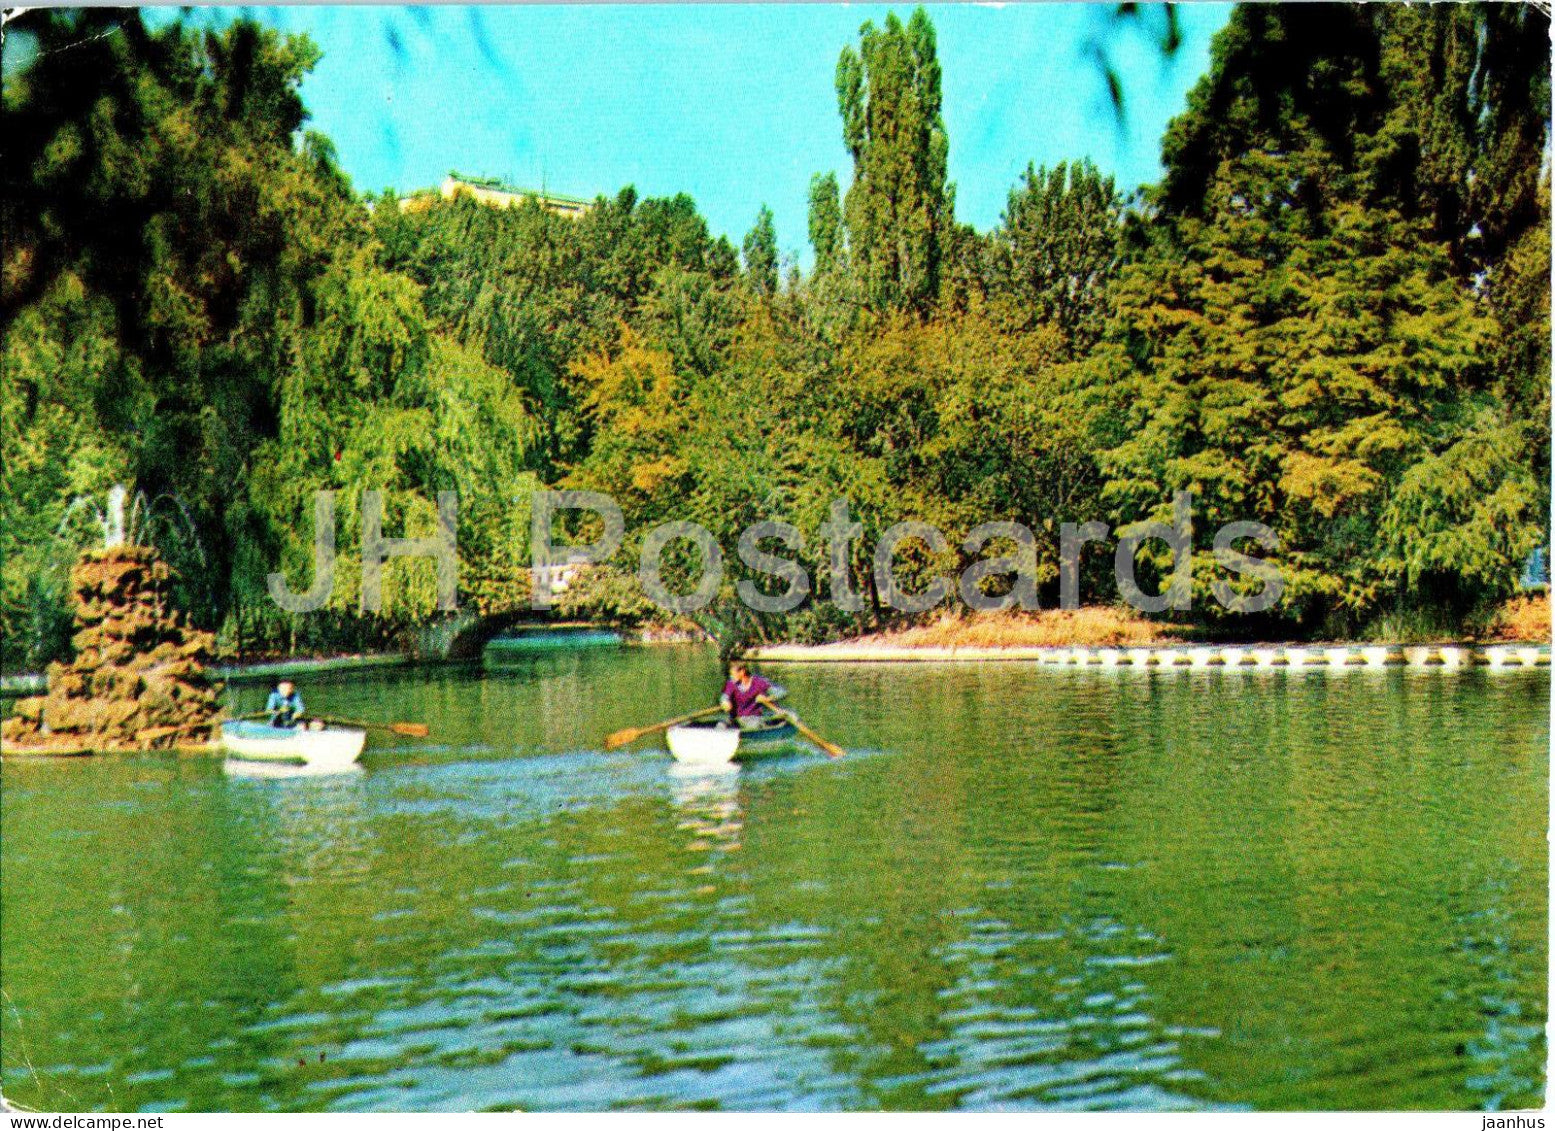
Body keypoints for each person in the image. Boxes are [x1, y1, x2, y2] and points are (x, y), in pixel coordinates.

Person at [719, 661, 786, 729]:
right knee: (720, 725)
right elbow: (724, 697)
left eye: (733, 674)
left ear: (742, 672)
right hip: (735, 719)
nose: (731, 677)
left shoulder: (758, 682)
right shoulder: (731, 683)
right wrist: (725, 702)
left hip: (753, 718)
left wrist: (767, 699)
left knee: (753, 725)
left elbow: (782, 692)